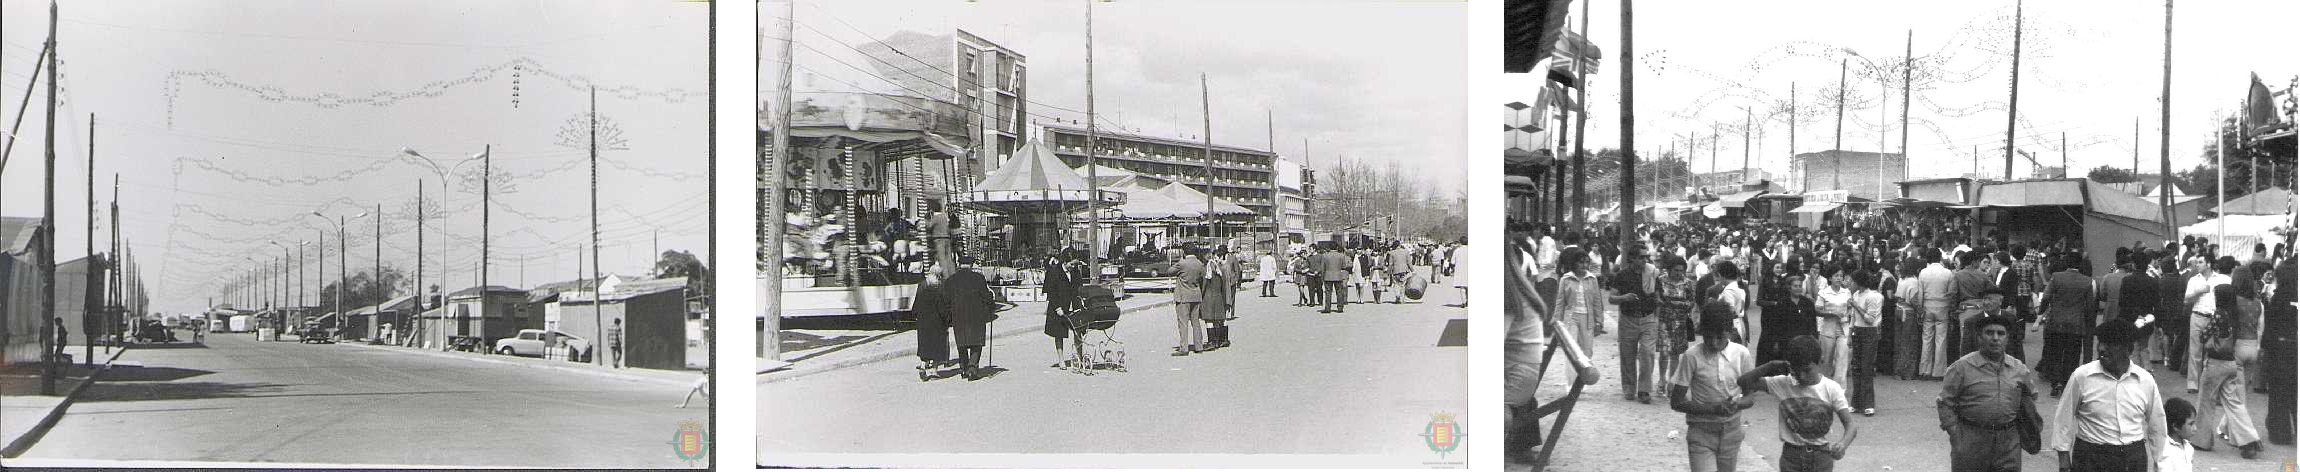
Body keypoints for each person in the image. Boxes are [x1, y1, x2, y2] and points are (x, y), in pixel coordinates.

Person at [2047, 319, 2168, 472]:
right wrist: (2064, 461)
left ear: (2128, 349)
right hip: (2090, 459)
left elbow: (2157, 426)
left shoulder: (2145, 381)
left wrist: (2162, 464)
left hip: (2133, 460)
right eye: (2101, 343)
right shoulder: (2082, 377)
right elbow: (2063, 419)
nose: (2102, 349)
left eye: (2110, 344)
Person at [1738, 335, 1860, 472]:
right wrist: (1771, 365)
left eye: (1807, 370)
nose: (1801, 376)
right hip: (1791, 458)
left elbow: (1851, 425)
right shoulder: (1783, 383)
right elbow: (1743, 381)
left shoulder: (1832, 389)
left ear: (1820, 362)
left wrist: (1843, 444)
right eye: (1796, 371)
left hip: (1821, 458)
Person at [1936, 314, 2039, 472]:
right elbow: (1945, 403)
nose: (1995, 338)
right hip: (1971, 440)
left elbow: (2030, 399)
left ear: (2007, 338)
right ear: (1979, 337)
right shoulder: (1961, 367)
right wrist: (1956, 434)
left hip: (2008, 443)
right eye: (1989, 333)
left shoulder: (2019, 369)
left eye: (2001, 333)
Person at [1671, 300, 1759, 472]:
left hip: (1731, 433)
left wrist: (1737, 404)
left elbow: (1750, 397)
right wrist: (1713, 409)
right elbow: (1676, 402)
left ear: (1730, 332)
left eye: (1720, 337)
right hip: (1701, 433)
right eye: (1708, 336)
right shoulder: (1692, 356)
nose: (1713, 343)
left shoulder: (1741, 354)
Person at [2193, 285, 2263, 458]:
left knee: (2205, 402)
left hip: (2215, 364)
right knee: (2234, 403)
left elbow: (2203, 336)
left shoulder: (2218, 314)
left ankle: (2201, 440)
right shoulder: (2235, 315)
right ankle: (2249, 439)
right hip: (2231, 363)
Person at [2037, 255, 2096, 396]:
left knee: (2056, 353)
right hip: (2076, 325)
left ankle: (2055, 383)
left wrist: (2041, 312)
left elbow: (2045, 297)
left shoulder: (2057, 277)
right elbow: (2089, 306)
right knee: (2072, 356)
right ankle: (2066, 383)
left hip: (2056, 323)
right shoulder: (2087, 282)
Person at [1609, 243, 1660, 403]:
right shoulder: (1622, 275)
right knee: (1627, 355)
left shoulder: (1652, 274)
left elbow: (1657, 296)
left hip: (1648, 318)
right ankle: (1629, 388)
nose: (1645, 260)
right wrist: (1624, 298)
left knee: (1647, 353)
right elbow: (1611, 298)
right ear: (1632, 258)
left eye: (1646, 256)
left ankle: (1644, 390)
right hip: (1628, 319)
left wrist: (1657, 316)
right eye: (1641, 257)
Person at [2181, 258, 2232, 393]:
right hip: (2197, 315)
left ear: (2208, 264)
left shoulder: (2221, 279)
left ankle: (2206, 383)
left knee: (2210, 351)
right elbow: (2186, 300)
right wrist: (2198, 292)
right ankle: (2193, 384)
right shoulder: (2194, 280)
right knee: (2195, 351)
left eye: (2200, 262)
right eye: (2197, 262)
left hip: (2213, 318)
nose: (2197, 265)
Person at [946, 257, 999, 380]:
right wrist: (991, 306)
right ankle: (972, 368)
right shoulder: (978, 278)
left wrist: (948, 316)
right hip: (976, 315)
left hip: (958, 316)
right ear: (971, 265)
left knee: (962, 342)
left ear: (959, 265)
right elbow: (986, 296)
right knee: (976, 341)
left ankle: (963, 368)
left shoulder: (951, 280)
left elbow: (946, 300)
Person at [1847, 269, 1884, 416]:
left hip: (1869, 333)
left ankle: (1869, 403)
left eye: (1852, 281)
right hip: (1857, 332)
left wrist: (1856, 306)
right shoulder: (1856, 295)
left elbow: (1870, 319)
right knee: (1856, 367)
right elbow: (1853, 318)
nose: (1850, 284)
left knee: (1866, 367)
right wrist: (1850, 335)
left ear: (1858, 282)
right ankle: (1856, 403)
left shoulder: (1873, 297)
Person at [1555, 248, 1603, 358]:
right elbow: (1560, 302)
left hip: (1588, 318)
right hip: (1571, 317)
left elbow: (1597, 301)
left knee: (1587, 350)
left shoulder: (1592, 279)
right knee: (1572, 350)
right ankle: (1571, 375)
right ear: (1574, 263)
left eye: (1586, 262)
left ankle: (1584, 375)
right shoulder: (1566, 279)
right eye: (1581, 262)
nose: (1584, 265)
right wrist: (1557, 321)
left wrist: (1599, 321)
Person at [1919, 249, 1958, 379]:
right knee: (1941, 339)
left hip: (1927, 306)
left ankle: (1925, 370)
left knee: (1927, 338)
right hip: (1943, 306)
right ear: (1940, 258)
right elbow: (1951, 292)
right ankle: (1939, 371)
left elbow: (1920, 294)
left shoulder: (1923, 273)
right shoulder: (1948, 273)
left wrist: (1920, 308)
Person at [912, 262, 954, 373]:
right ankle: (934, 370)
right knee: (937, 345)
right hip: (937, 321)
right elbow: (943, 305)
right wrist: (948, 319)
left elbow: (917, 302)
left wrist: (915, 314)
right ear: (938, 275)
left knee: (925, 343)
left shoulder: (922, 285)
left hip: (923, 321)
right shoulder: (940, 286)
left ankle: (923, 365)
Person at [1042, 251, 1077, 366]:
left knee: (1078, 330)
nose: (1073, 267)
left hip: (1072, 306)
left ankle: (1079, 356)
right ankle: (1061, 359)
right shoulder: (1054, 272)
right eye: (1071, 264)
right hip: (1058, 307)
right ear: (1065, 262)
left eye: (1075, 265)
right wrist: (1057, 308)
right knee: (1059, 334)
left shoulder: (1076, 272)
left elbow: (1078, 288)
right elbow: (1051, 292)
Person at [1172, 248, 1207, 356]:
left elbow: (1169, 271)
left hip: (1183, 296)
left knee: (1183, 323)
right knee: (1195, 322)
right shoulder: (1199, 263)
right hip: (1196, 295)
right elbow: (1203, 277)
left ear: (1184, 252)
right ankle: (1199, 346)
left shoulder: (1182, 263)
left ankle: (1184, 348)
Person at [1202, 246, 1237, 351]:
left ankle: (1212, 341)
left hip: (1208, 297)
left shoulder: (1207, 269)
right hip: (1219, 296)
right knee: (1220, 319)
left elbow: (1204, 285)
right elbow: (1225, 286)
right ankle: (1222, 339)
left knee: (1209, 320)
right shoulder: (1222, 269)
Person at [2159, 397, 2197, 472]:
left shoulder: (2188, 447)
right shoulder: (2165, 451)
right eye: (2191, 424)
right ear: (2176, 426)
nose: (2195, 428)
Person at [1319, 243, 1353, 313]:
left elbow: (1322, 268)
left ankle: (1327, 308)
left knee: (1328, 293)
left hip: (1328, 276)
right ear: (1337, 247)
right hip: (1338, 275)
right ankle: (1340, 307)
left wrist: (1322, 276)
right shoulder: (1341, 255)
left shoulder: (1325, 256)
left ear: (1329, 247)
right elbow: (1344, 266)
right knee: (1339, 292)